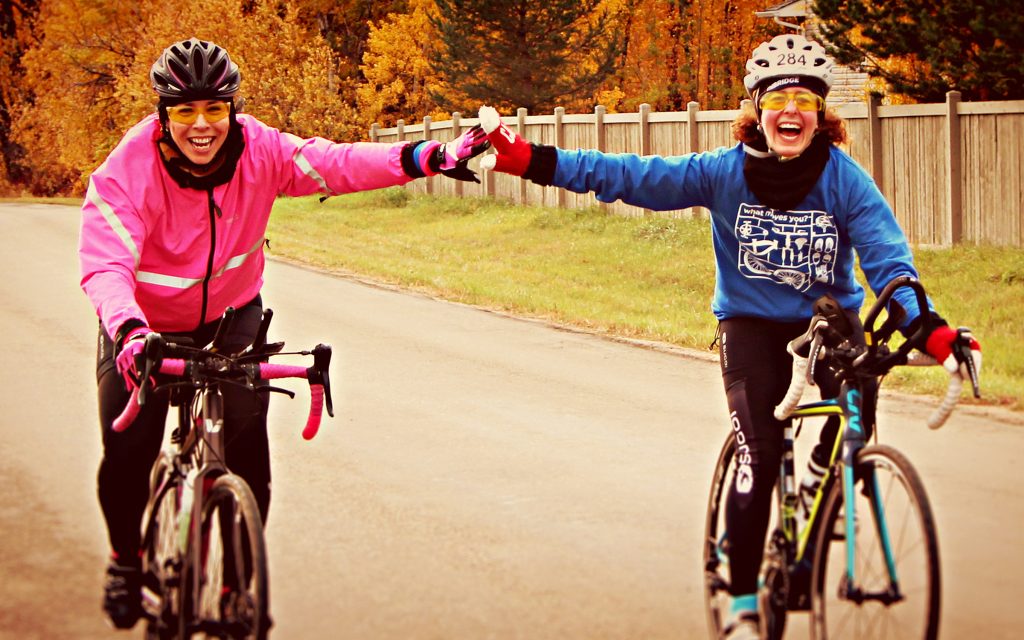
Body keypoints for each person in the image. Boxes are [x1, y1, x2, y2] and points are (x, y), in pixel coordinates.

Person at [476, 34, 981, 640]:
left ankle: (821, 480)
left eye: (805, 100)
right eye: (778, 99)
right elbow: (629, 176)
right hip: (750, 328)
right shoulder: (723, 173)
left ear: (821, 113)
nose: (791, 111)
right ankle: (742, 604)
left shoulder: (846, 182)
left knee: (858, 405)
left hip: (828, 324)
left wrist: (934, 332)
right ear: (757, 109)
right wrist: (529, 160)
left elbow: (889, 265)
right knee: (759, 456)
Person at [79, 37, 489, 629]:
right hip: (143, 328)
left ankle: (234, 588)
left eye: (215, 108)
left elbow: (337, 163)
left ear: (233, 109)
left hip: (231, 317)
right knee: (127, 452)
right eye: (186, 110)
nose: (202, 125)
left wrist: (428, 157)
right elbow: (105, 264)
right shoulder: (127, 170)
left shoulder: (261, 151)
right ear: (163, 114)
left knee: (248, 460)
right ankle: (125, 561)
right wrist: (127, 329)